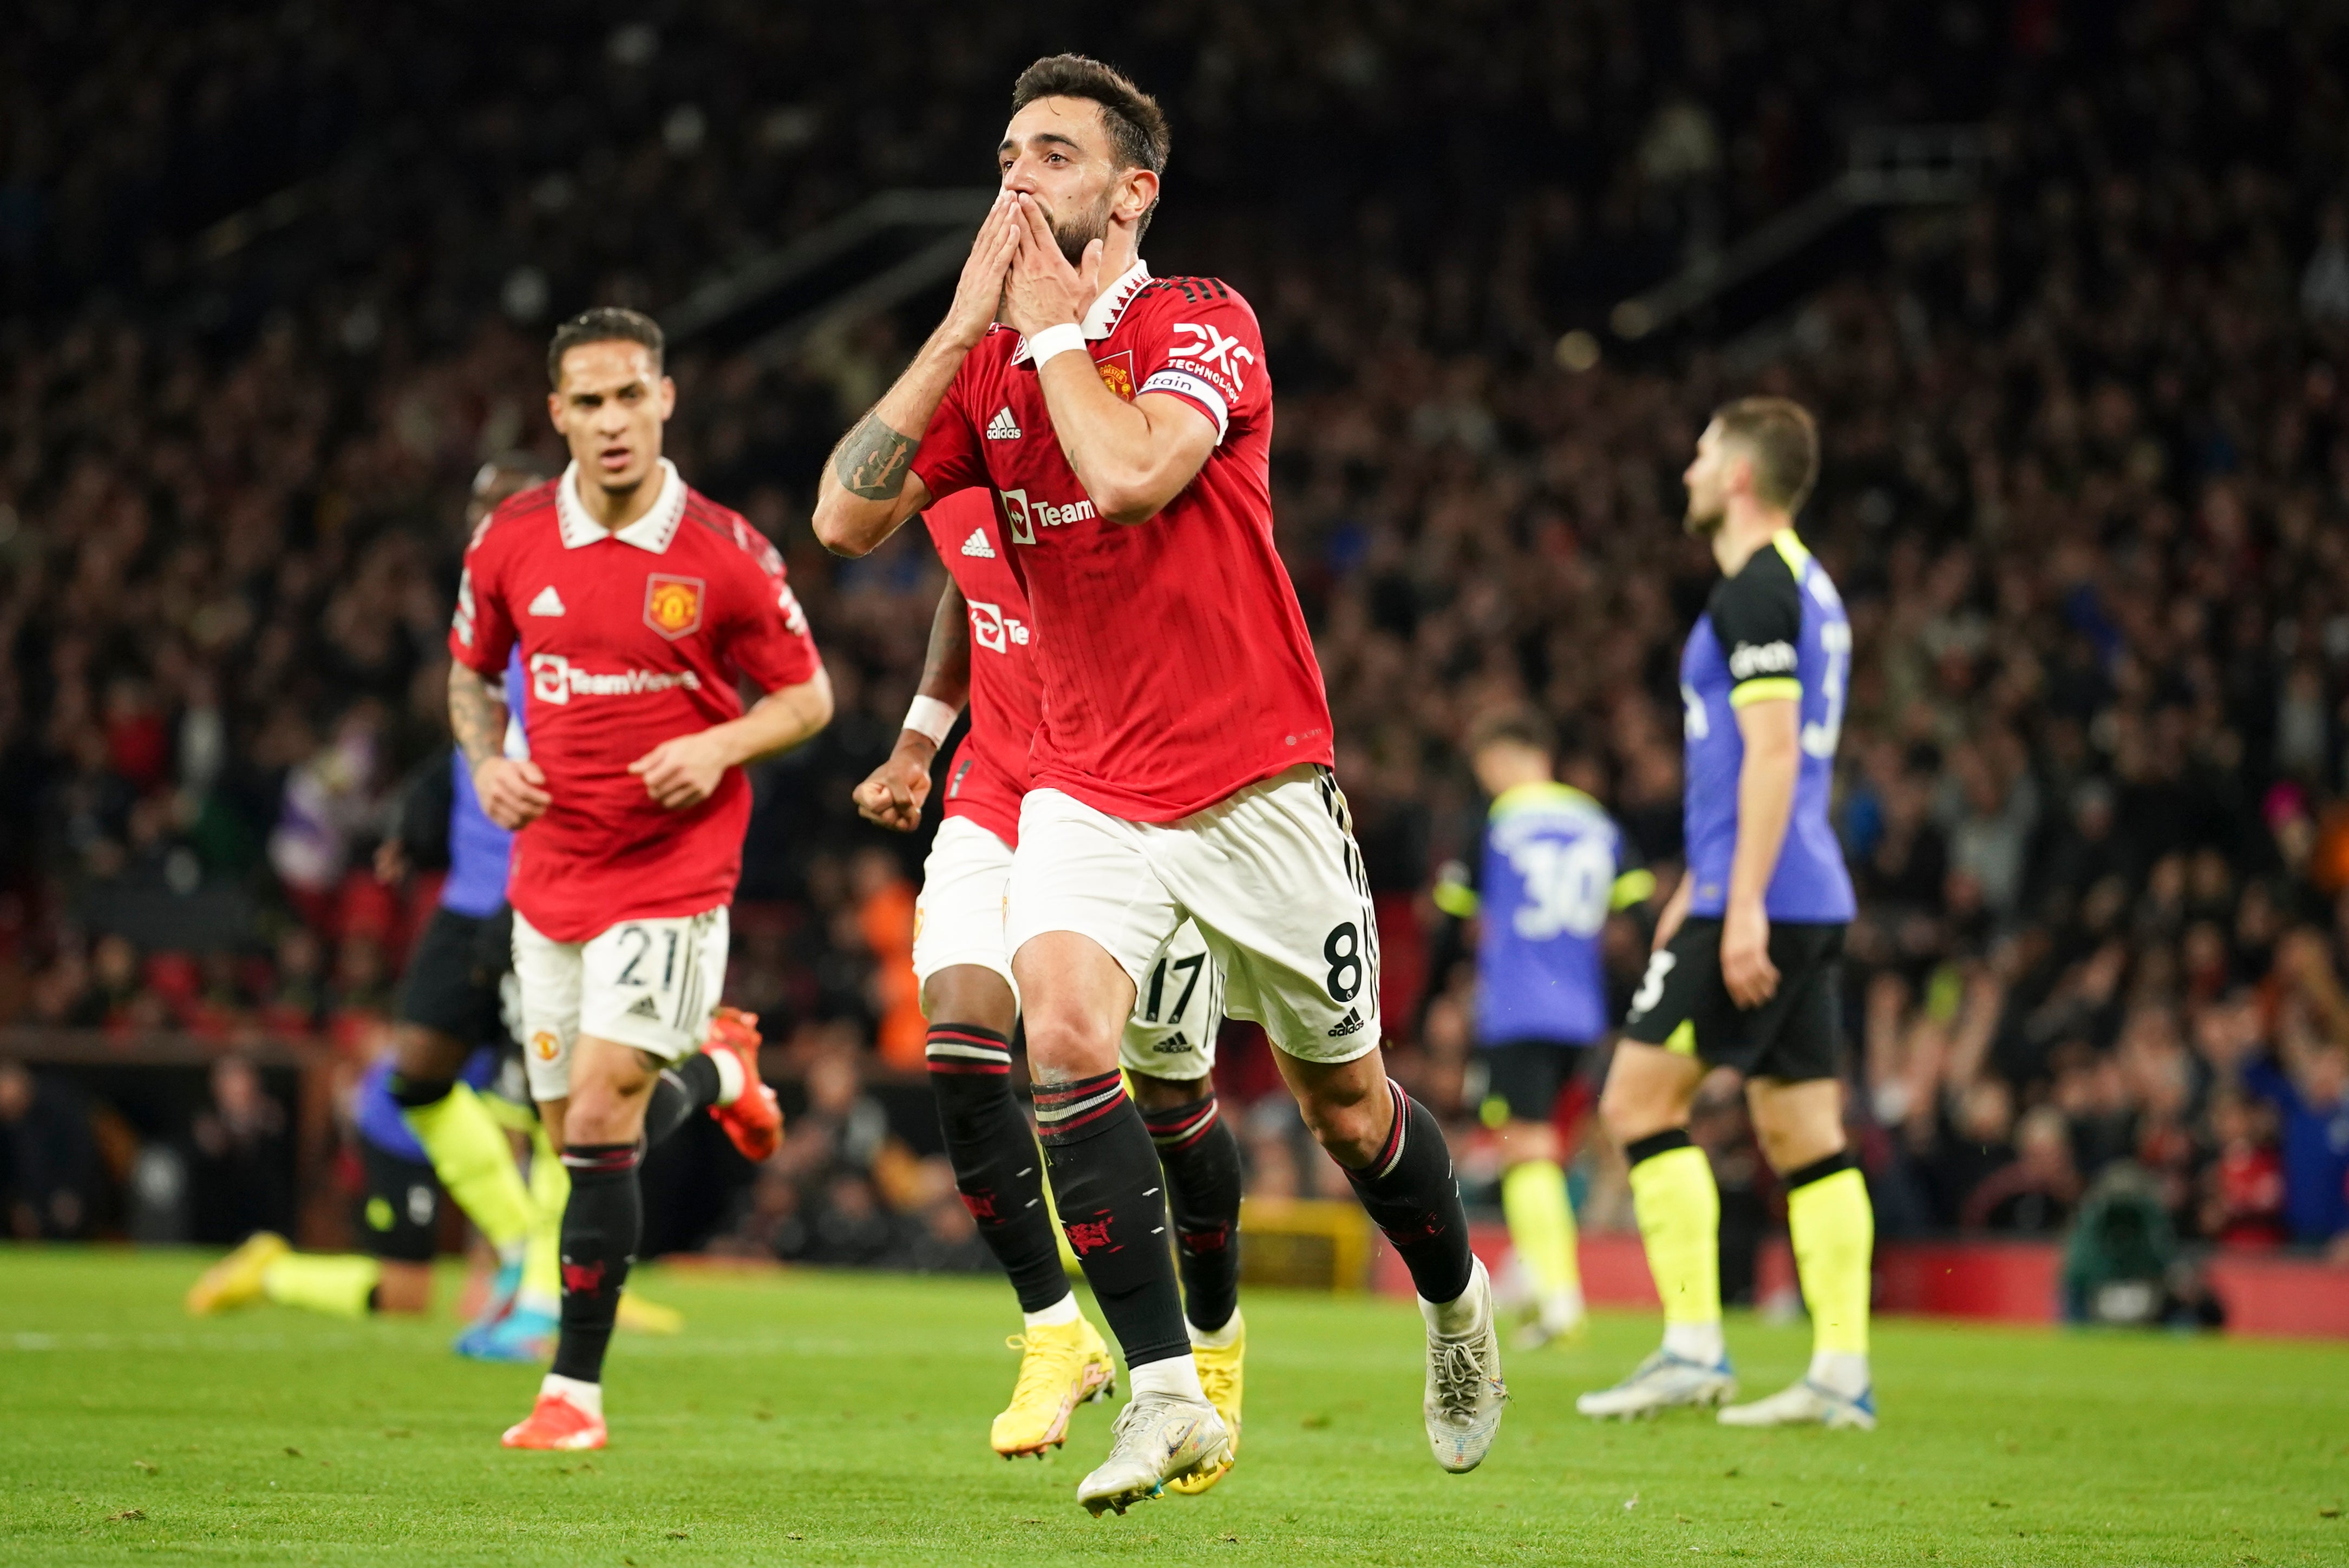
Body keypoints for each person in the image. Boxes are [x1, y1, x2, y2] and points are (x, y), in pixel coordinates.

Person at [813, 56, 1503, 1513]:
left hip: (1256, 780)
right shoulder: (989, 367)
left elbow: (1128, 476)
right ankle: (1168, 1395)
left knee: (1349, 1109)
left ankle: (1452, 1304)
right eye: (1004, 153)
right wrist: (954, 333)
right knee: (1064, 1035)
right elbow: (844, 514)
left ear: (1130, 192)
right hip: (1084, 779)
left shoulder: (1202, 322)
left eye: (1052, 155)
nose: (1015, 177)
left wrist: (1051, 335)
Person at [453, 306, 832, 1451]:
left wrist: (718, 746)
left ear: (665, 399)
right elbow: (469, 672)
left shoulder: (723, 549)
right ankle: (720, 1071)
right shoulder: (510, 540)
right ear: (556, 412)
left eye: (631, 396)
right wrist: (484, 760)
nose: (611, 420)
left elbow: (806, 697)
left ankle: (573, 1392)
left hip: (673, 868)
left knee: (610, 1098)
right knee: (577, 1136)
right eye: (588, 401)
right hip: (551, 866)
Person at [853, 484, 1245, 1485]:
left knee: (1171, 1098)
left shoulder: (1125, 431)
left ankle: (1213, 1341)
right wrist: (916, 738)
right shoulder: (973, 427)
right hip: (996, 787)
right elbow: (971, 576)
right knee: (957, 1032)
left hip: (1140, 797)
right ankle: (1053, 1330)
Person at [1575, 397, 1876, 1431]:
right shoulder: (1808, 587)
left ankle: (1692, 1346)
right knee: (1801, 1129)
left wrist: (1733, 902)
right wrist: (1697, 890)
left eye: (1702, 452)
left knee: (1634, 1103)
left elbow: (1774, 751)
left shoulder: (1753, 589)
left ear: (1739, 475)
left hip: (1766, 891)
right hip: (1801, 887)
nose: (1689, 468)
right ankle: (1839, 1369)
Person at [1433, 710, 1652, 1349]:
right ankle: (1545, 1280)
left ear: (1502, 759)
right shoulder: (1597, 821)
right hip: (1582, 1012)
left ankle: (1559, 1297)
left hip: (1519, 1007)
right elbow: (1639, 911)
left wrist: (1425, 1003)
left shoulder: (1495, 822)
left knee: (1525, 1148)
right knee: (1553, 1145)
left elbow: (1451, 920)